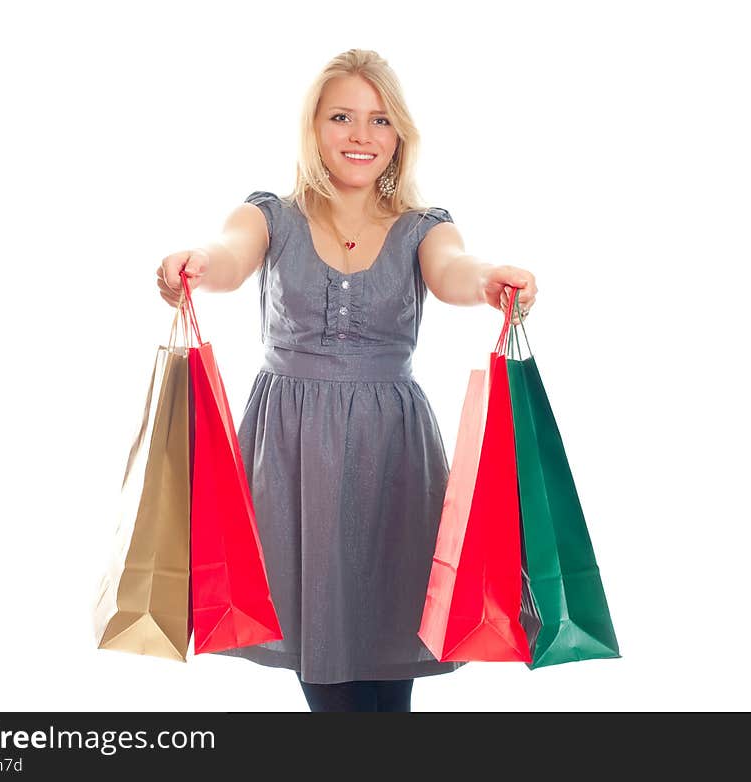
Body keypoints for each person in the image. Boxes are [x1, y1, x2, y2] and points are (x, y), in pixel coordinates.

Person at [156, 49, 538, 712]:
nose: (361, 135)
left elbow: (453, 269)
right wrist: (195, 264)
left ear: (400, 137)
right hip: (294, 454)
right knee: (323, 660)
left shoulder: (424, 226)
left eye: (380, 120)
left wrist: (489, 281)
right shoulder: (270, 213)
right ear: (313, 127)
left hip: (393, 453)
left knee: (391, 654)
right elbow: (228, 255)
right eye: (342, 116)